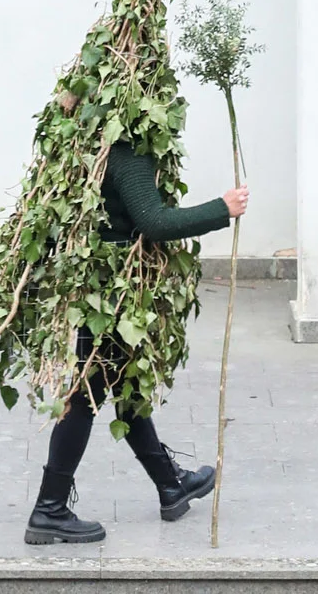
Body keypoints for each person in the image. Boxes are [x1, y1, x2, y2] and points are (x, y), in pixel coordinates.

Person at [23, 140, 250, 546]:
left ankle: (169, 484)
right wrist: (222, 208)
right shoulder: (126, 151)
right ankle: (50, 507)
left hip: (98, 285)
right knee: (87, 394)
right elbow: (153, 221)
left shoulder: (84, 137)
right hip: (113, 290)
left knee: (123, 383)